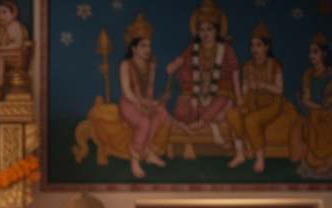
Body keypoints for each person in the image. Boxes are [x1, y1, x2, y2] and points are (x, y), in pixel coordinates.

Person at [166, 1, 238, 148]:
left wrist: (239, 97)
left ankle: (202, 123)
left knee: (221, 101)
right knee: (180, 109)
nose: (205, 33)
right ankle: (212, 123)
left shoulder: (225, 48)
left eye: (209, 29)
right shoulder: (193, 47)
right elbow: (177, 63)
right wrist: (174, 65)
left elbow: (235, 70)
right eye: (201, 29)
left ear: (216, 31)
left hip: (219, 92)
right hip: (196, 93)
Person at [226, 22, 291, 173]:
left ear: (266, 47)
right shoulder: (248, 66)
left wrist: (263, 85)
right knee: (233, 114)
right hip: (252, 101)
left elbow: (279, 90)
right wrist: (242, 100)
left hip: (272, 104)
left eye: (258, 45)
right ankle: (240, 154)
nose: (254, 49)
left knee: (251, 120)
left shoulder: (275, 64)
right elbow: (244, 89)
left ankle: (260, 158)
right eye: (252, 45)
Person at [117, 14, 170, 179]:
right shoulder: (126, 65)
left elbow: (149, 91)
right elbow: (127, 92)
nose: (148, 49)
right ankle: (135, 160)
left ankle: (148, 152)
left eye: (149, 45)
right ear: (133, 48)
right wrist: (140, 104)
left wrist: (153, 103)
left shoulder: (149, 65)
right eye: (143, 45)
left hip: (143, 101)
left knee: (160, 112)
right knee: (144, 122)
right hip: (129, 103)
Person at [299, 33, 332, 177]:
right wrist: (317, 108)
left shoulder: (330, 74)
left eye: (315, 52)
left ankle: (329, 162)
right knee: (313, 117)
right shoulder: (308, 74)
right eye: (310, 52)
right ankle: (315, 161)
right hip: (315, 110)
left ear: (324, 54)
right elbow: (306, 99)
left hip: (329, 112)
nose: (311, 55)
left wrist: (323, 108)